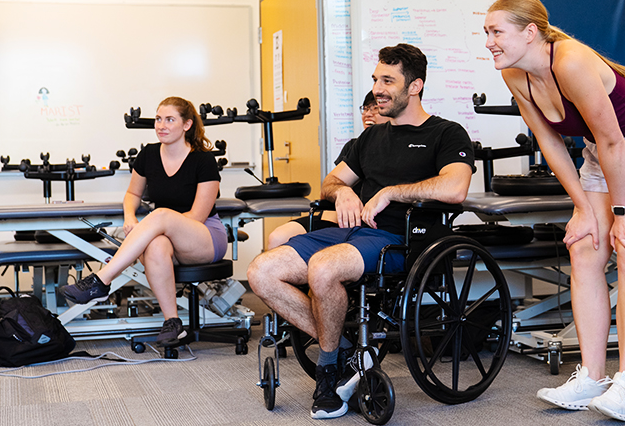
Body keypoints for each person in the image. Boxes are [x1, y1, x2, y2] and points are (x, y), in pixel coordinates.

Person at [484, 0, 625, 422]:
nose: (489, 42)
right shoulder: (514, 74)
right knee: (584, 248)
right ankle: (592, 377)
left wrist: (622, 214)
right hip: (604, 155)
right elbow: (549, 141)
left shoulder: (571, 61)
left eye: (496, 32)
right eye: (486, 33)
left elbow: (614, 139)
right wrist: (582, 207)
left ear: (530, 33)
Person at [247, 43, 474, 420]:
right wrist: (344, 192)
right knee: (261, 272)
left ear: (415, 86)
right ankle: (347, 351)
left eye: (388, 81)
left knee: (323, 268)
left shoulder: (445, 133)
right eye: (375, 80)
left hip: (397, 239)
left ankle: (327, 373)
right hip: (348, 232)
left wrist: (390, 192)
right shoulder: (370, 138)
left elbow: (455, 188)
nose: (377, 89)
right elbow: (331, 181)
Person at [58, 96, 227, 346]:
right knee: (156, 244)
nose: (161, 125)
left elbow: (197, 216)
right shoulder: (148, 154)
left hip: (204, 237)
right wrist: (130, 217)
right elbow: (132, 194)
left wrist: (157, 224)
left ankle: (102, 280)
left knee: (160, 216)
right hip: (165, 236)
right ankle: (173, 323)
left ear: (187, 125)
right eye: (158, 119)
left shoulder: (203, 160)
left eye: (169, 120)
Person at [266, 91, 389, 249]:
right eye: (365, 109)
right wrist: (341, 192)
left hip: (370, 223)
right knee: (277, 238)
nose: (367, 114)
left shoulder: (394, 150)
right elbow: (326, 191)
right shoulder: (353, 146)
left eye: (374, 108)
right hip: (338, 216)